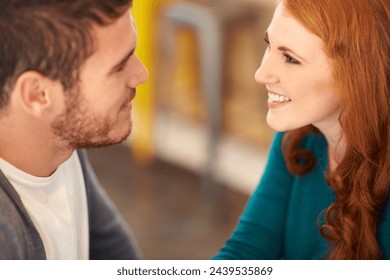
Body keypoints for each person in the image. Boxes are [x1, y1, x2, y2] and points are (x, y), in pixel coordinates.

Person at [213, 0, 390, 260]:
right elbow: (246, 250)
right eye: (268, 45)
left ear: (358, 74)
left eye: (290, 58)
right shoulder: (298, 137)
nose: (261, 74)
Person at [0, 0, 148, 259]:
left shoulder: (61, 141)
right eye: (119, 66)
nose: (141, 74)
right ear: (38, 94)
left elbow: (114, 253)